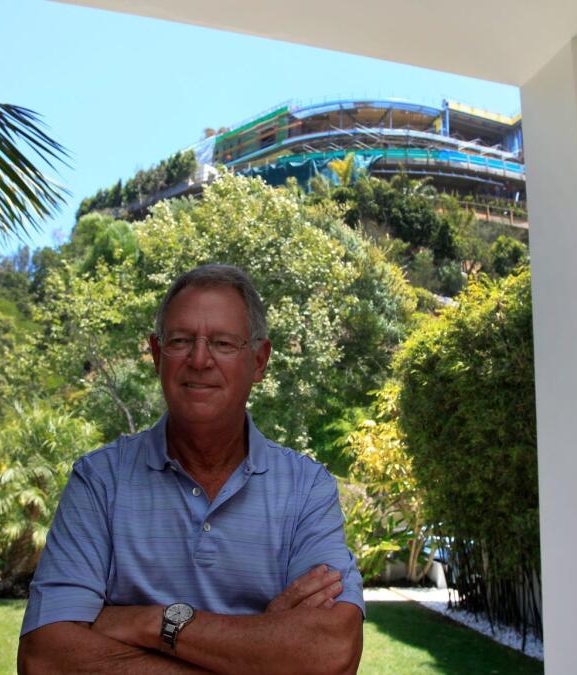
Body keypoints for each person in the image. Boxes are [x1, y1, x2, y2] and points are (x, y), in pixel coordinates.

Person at [18, 264, 364, 674]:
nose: (200, 360)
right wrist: (263, 643)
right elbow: (45, 658)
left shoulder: (307, 489)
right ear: (156, 354)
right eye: (181, 340)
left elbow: (331, 651)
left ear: (259, 360)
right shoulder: (99, 481)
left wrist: (151, 621)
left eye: (222, 342)